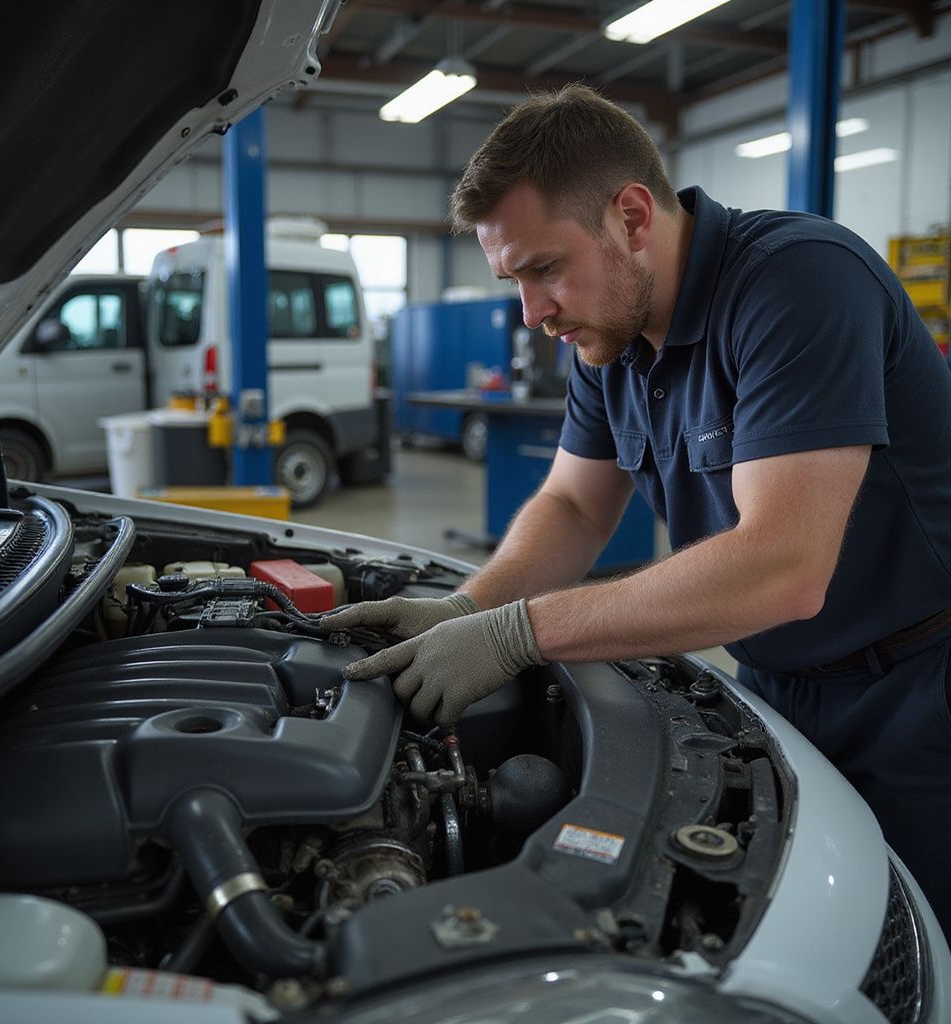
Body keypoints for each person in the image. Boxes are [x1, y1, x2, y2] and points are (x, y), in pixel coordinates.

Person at [321, 84, 951, 938]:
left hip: (918, 687)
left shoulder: (799, 281)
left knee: (913, 940)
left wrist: (519, 633)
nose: (531, 313)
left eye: (544, 268)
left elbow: (784, 567)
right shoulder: (608, 340)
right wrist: (470, 606)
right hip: (779, 681)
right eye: (513, 280)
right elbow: (577, 506)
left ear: (631, 214)